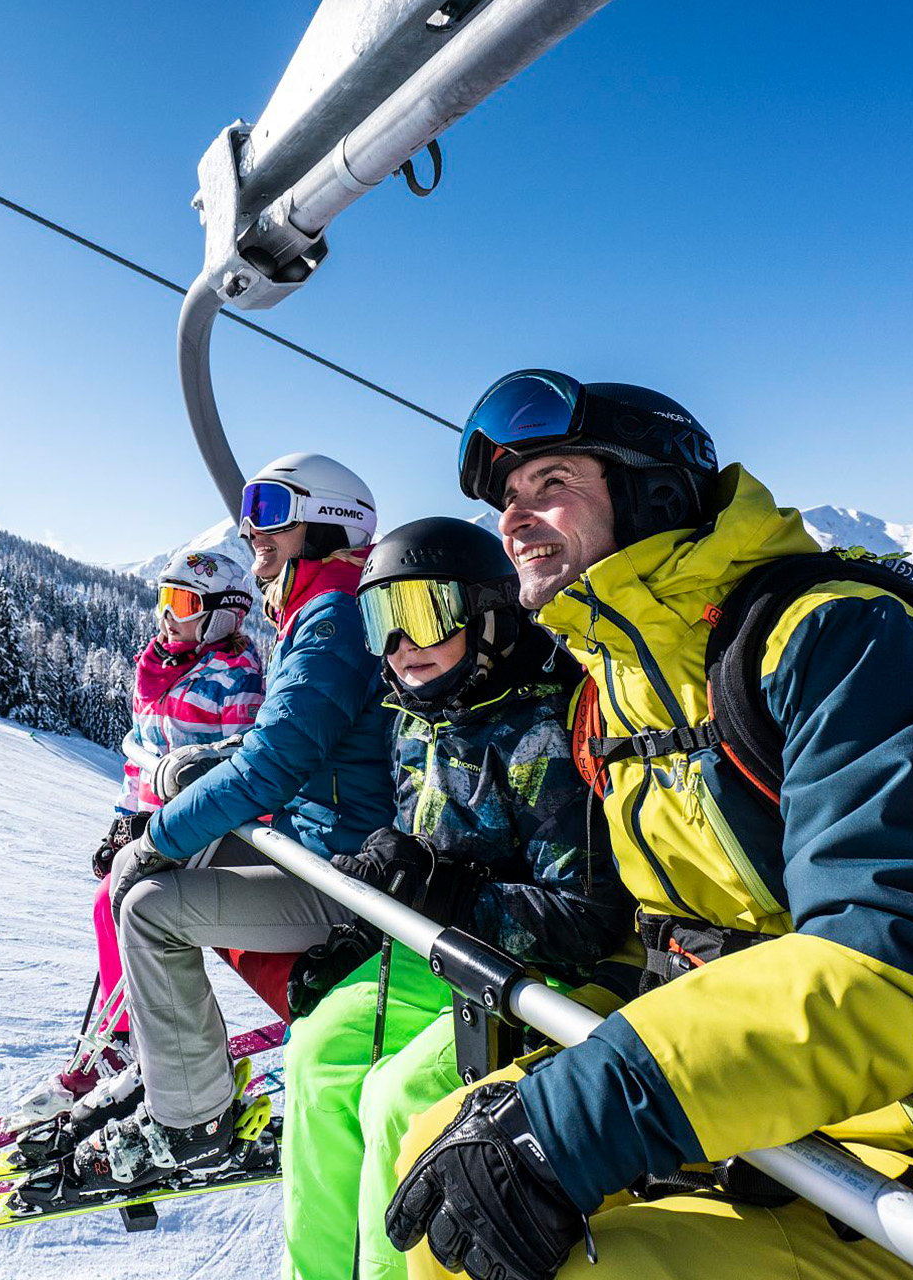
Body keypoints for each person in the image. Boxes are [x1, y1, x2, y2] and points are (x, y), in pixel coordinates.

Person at [383, 371, 913, 1280]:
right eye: (509, 498)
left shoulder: (836, 640)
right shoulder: (613, 688)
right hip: (780, 1120)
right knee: (440, 1173)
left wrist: (585, 1114)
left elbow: (901, 965)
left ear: (652, 490)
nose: (515, 517)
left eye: (552, 483)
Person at [281, 516, 633, 1280]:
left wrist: (441, 895)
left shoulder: (551, 720)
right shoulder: (417, 711)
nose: (401, 647)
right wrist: (371, 925)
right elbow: (424, 858)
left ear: (487, 610)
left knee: (399, 1098)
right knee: (316, 1054)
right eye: (382, 622)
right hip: (446, 955)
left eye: (421, 614)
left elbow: (589, 919)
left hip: (544, 978)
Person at [73, 452, 396, 1188]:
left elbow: (272, 766)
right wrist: (192, 772)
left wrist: (158, 833)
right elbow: (269, 742)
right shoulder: (322, 609)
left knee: (152, 902)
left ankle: (193, 1124)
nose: (255, 533)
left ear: (328, 522)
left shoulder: (334, 619)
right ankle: (174, 1067)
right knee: (138, 881)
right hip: (317, 849)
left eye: (273, 513)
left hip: (341, 876)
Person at [7, 542, 265, 1125]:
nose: (168, 614)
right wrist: (123, 820)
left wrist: (159, 823)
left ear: (223, 613)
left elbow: (237, 765)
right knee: (106, 905)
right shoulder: (159, 667)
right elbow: (140, 757)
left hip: (204, 830)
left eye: (183, 601)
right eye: (164, 599)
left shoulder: (235, 677)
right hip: (154, 825)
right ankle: (122, 1038)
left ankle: (136, 1043)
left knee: (119, 904)